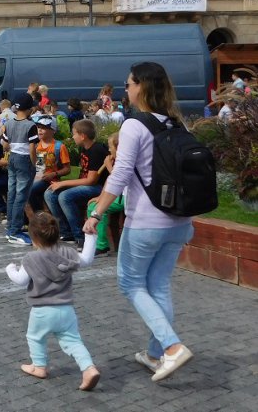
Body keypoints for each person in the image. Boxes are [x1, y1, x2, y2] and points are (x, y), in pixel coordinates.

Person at [84, 62, 196, 383]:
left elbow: (120, 173)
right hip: (179, 220)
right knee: (158, 286)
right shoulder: (177, 123)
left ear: (141, 87)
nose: (126, 89)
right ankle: (156, 354)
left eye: (129, 84)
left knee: (131, 284)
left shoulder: (134, 125)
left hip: (147, 221)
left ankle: (172, 347)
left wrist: (97, 212)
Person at [6, 209, 101, 391]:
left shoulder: (31, 258)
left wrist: (10, 269)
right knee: (73, 341)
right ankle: (89, 368)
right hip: (66, 309)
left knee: (35, 337)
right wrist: (90, 236)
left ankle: (39, 367)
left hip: (41, 311)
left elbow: (21, 280)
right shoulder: (67, 253)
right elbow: (87, 259)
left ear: (34, 238)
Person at [45, 119, 109, 250]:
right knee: (50, 193)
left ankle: (80, 236)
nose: (72, 137)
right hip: (86, 185)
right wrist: (61, 184)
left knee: (65, 196)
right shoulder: (84, 148)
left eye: (74, 134)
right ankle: (66, 232)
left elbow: (91, 180)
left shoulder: (96, 150)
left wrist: (63, 183)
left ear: (82, 136)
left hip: (99, 188)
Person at [1, 92, 38, 246]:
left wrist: (11, 149)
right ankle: (15, 231)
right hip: (25, 160)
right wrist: (34, 164)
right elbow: (32, 149)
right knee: (21, 196)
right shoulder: (31, 125)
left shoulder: (9, 123)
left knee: (12, 193)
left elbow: (5, 145)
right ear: (30, 109)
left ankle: (11, 226)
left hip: (12, 158)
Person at [27, 115, 71, 212]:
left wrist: (54, 174)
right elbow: (37, 165)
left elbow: (67, 169)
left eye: (44, 128)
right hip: (37, 177)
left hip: (50, 180)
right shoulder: (36, 146)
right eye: (38, 127)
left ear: (53, 130)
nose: (40, 130)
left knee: (31, 189)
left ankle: (40, 214)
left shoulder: (59, 147)